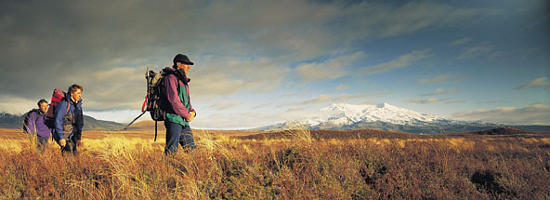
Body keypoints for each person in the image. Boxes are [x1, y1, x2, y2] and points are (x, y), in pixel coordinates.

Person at [163, 54, 197, 155]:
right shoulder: (170, 78)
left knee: (192, 150)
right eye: (186, 64)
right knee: (171, 150)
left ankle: (194, 170)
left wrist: (193, 112)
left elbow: (187, 102)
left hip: (183, 120)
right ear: (178, 64)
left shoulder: (183, 81)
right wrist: (187, 115)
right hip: (173, 119)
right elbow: (174, 100)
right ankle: (166, 170)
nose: (189, 67)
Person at [53, 84, 84, 155]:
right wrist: (61, 137)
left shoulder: (78, 106)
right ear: (72, 93)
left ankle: (72, 166)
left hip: (73, 135)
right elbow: (58, 121)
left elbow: (80, 123)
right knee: (68, 155)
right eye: (78, 93)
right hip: (64, 135)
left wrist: (78, 138)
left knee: (75, 154)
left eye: (81, 93)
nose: (80, 95)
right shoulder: (64, 104)